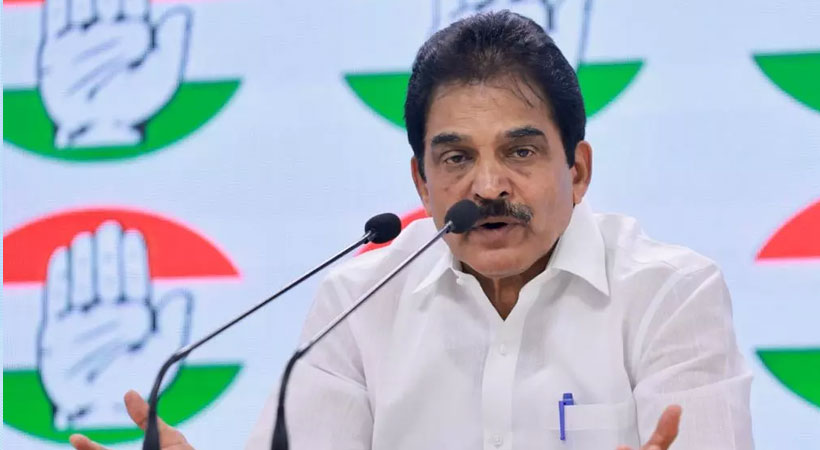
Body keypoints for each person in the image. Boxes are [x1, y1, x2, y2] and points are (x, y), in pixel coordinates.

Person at [70, 10, 754, 450]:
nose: (488, 186)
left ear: (577, 171)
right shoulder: (358, 303)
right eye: (456, 159)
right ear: (422, 185)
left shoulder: (670, 294)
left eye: (519, 151)